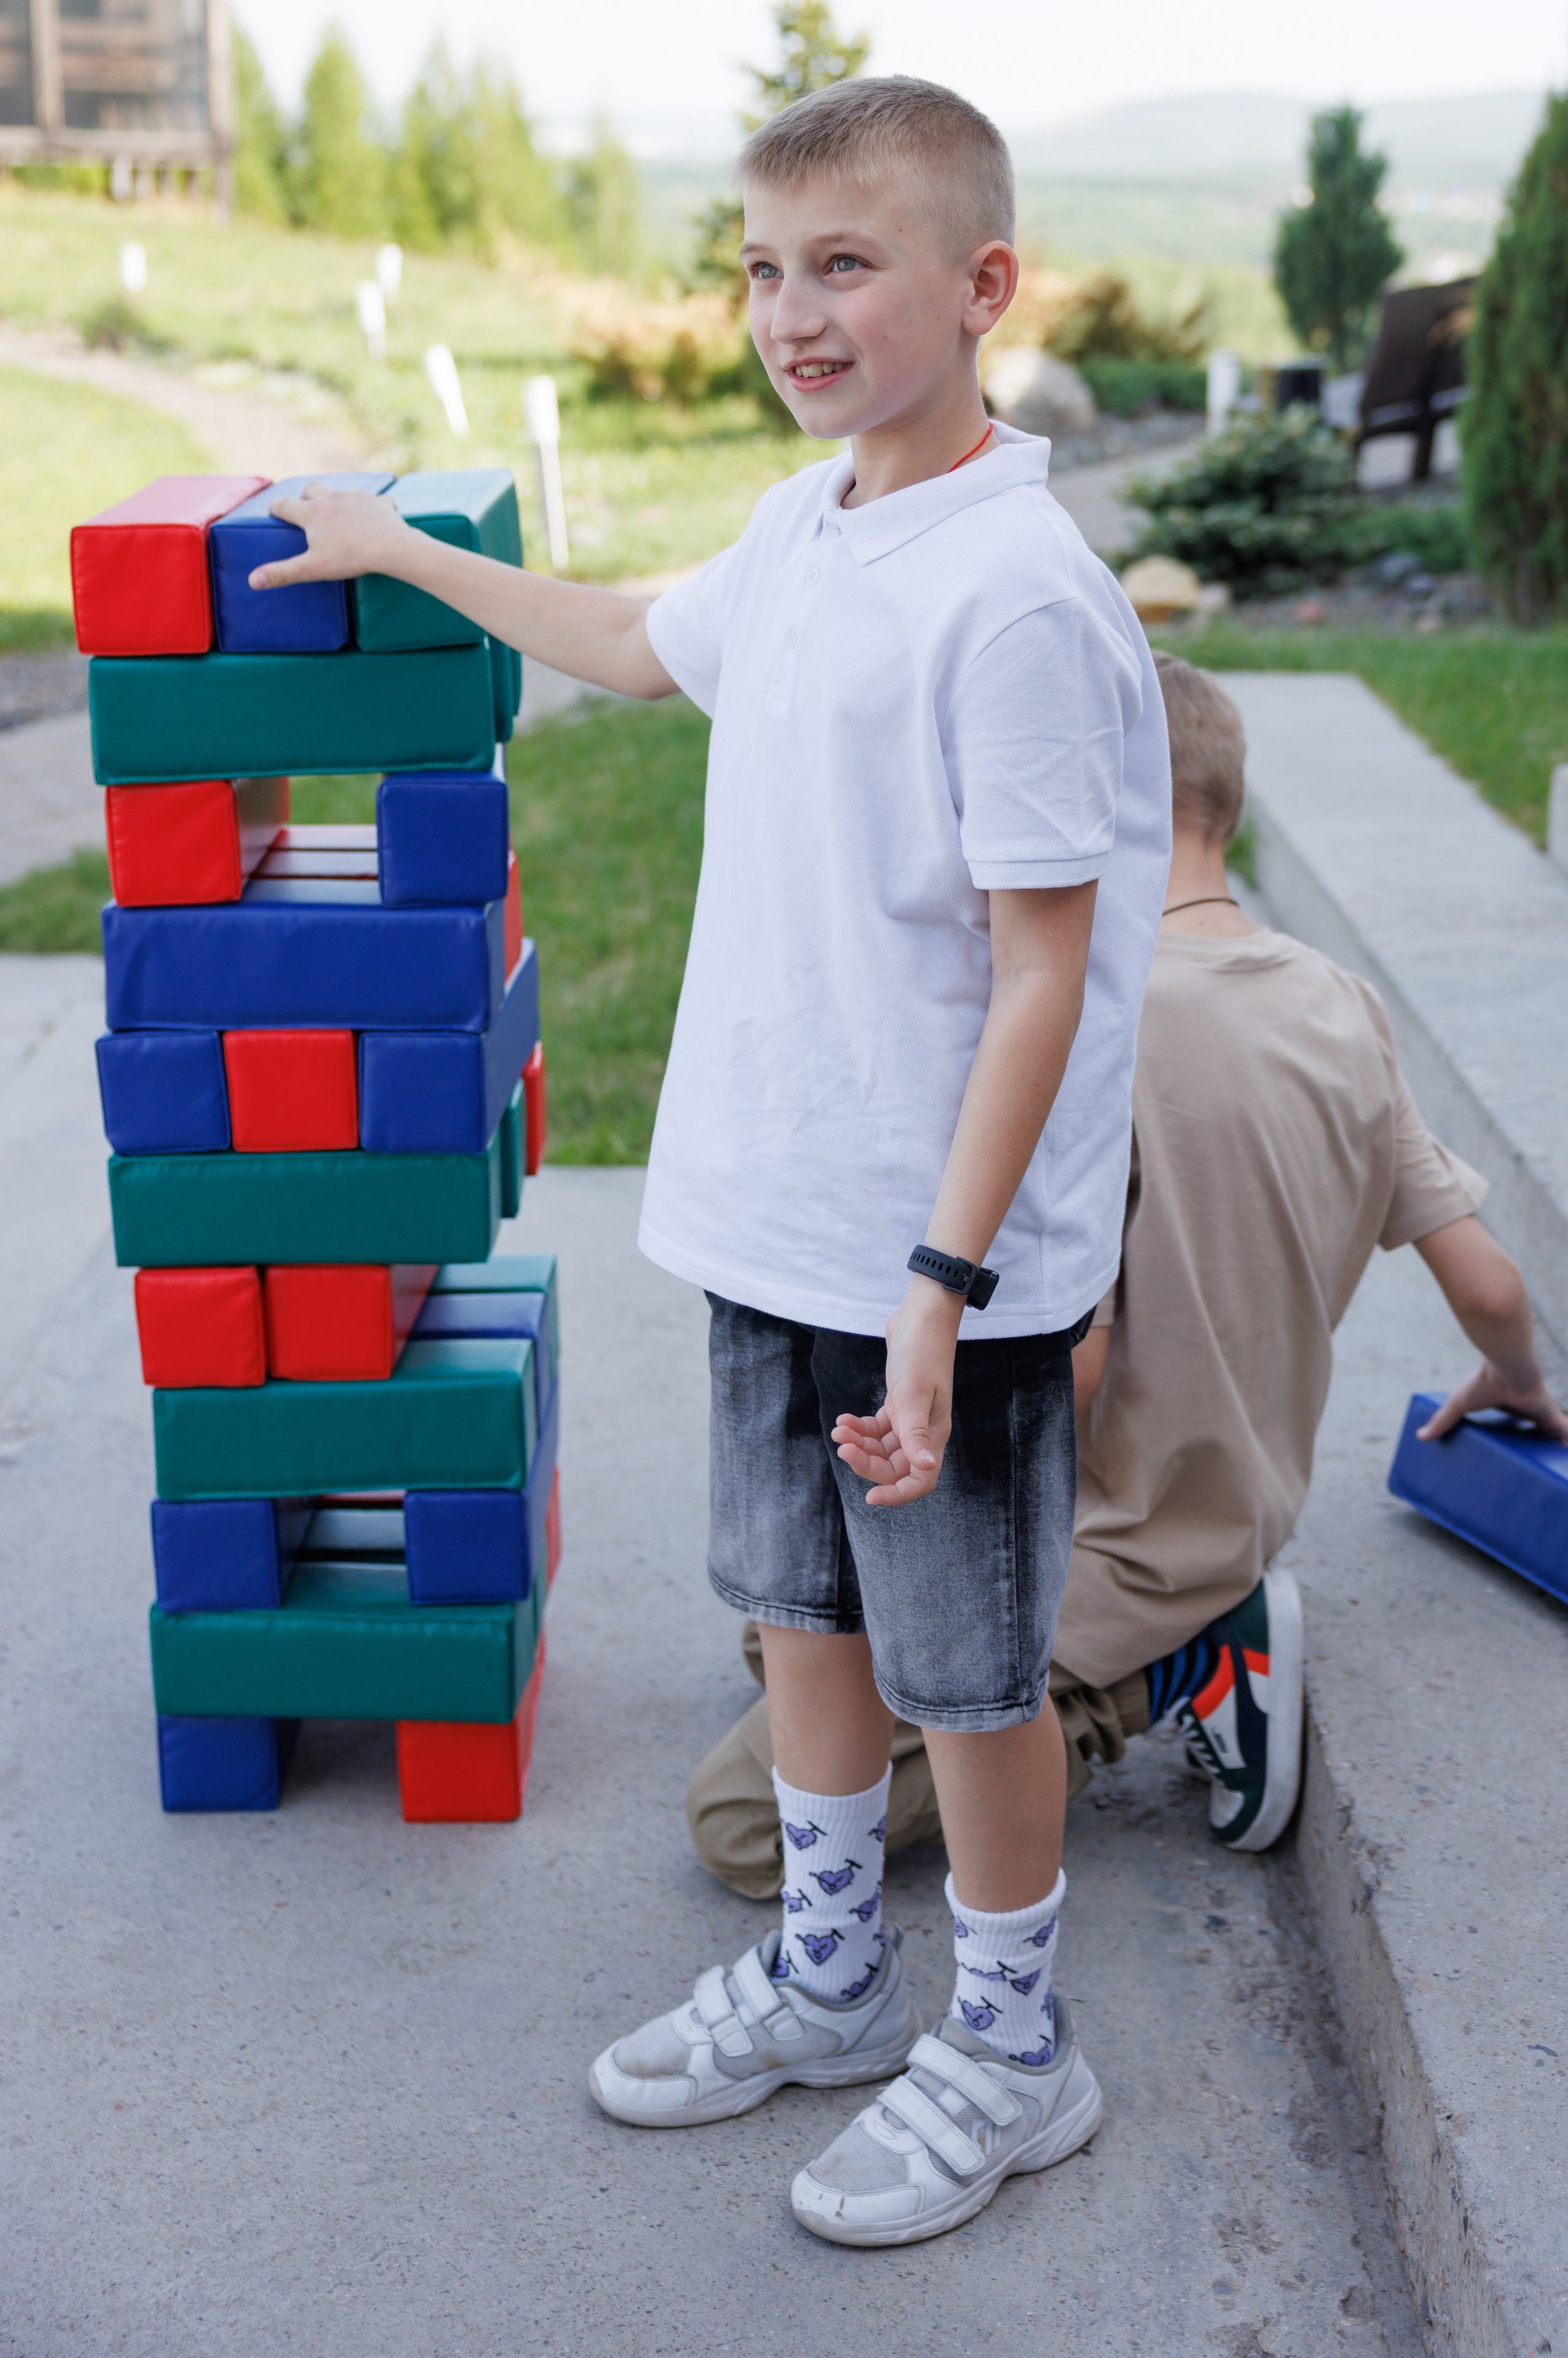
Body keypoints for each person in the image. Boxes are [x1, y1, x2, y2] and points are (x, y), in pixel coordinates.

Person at [251, 77, 1172, 2249]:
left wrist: (943, 1286)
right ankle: (841, 1974)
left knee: (970, 1671)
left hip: (942, 1266)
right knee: (798, 1622)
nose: (791, 310)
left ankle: (1020, 2047)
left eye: (844, 263)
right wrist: (401, 550)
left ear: (983, 284)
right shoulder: (808, 527)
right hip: (775, 1214)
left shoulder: (1019, 593)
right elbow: (623, 633)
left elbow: (1042, 981)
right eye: (763, 269)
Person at [685, 652, 1568, 1897]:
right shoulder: (1337, 1000)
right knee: (785, 1634)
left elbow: (1073, 1368)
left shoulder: (1077, 1039)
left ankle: (1162, 1674)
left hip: (1104, 1548)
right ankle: (1154, 1629)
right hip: (1237, 1504)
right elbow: (1480, 1276)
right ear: (1228, 807)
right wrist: (1514, 1376)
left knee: (740, 1817)